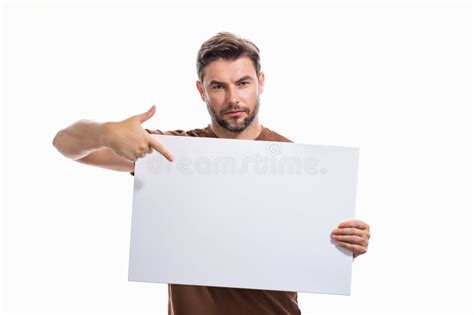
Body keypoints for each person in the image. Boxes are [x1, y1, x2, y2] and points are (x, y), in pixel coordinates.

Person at [53, 32, 371, 315]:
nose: (233, 99)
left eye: (243, 83)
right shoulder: (169, 153)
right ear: (201, 91)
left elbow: (312, 254)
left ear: (261, 82)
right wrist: (105, 132)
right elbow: (65, 144)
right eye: (218, 86)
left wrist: (346, 247)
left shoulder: (296, 162)